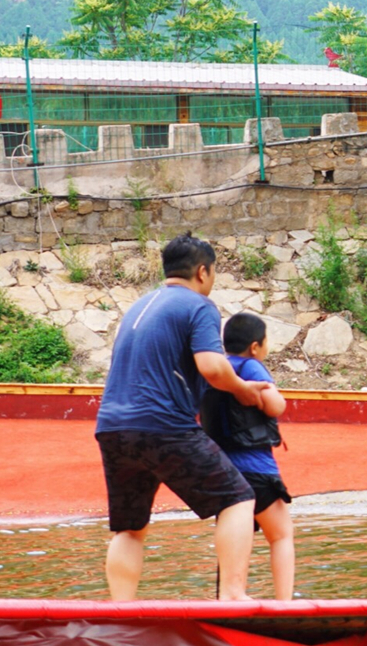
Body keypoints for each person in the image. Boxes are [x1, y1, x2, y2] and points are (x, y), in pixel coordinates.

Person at [94, 233, 268, 601]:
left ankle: (121, 611)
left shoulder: (140, 305)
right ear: (202, 272)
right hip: (163, 425)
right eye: (214, 272)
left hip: (112, 427)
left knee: (130, 527)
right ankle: (233, 597)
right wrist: (244, 389)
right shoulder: (198, 305)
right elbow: (212, 367)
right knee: (237, 498)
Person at [200, 312, 296, 600]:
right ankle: (285, 603)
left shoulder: (215, 371)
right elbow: (275, 406)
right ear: (255, 346)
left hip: (224, 471)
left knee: (230, 539)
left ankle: (225, 599)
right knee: (280, 535)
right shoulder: (251, 367)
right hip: (257, 471)